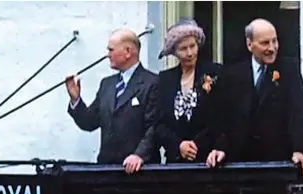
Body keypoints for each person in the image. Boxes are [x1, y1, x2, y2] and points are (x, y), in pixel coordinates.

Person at [206, 18, 303, 180]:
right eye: (265, 43)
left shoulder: (289, 70)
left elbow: (299, 114)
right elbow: (222, 117)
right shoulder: (233, 74)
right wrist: (220, 148)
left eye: (274, 41)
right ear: (250, 44)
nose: (272, 48)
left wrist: (299, 150)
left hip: (277, 164)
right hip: (240, 164)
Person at [65, 28, 160, 173]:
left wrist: (139, 155)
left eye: (111, 50)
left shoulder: (152, 83)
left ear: (128, 52)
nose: (107, 55)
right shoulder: (107, 84)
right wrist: (76, 100)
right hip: (106, 169)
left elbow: (154, 127)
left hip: (139, 171)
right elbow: (90, 122)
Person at [155, 18, 222, 163]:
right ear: (174, 52)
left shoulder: (215, 72)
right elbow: (159, 124)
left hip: (208, 161)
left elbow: (221, 118)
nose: (190, 53)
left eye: (192, 46)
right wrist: (179, 145)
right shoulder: (165, 79)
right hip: (175, 162)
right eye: (183, 49)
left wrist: (197, 146)